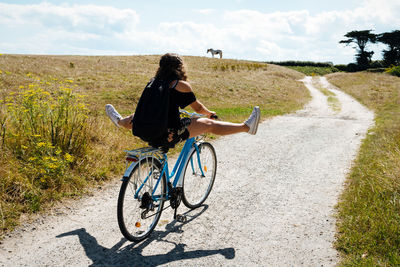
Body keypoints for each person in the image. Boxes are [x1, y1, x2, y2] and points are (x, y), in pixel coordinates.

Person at [105, 53, 261, 148]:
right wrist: (209, 113)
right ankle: (246, 127)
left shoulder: (153, 82)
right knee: (209, 124)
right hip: (166, 134)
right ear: (180, 68)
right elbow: (198, 109)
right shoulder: (179, 85)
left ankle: (119, 121)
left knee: (137, 116)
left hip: (142, 130)